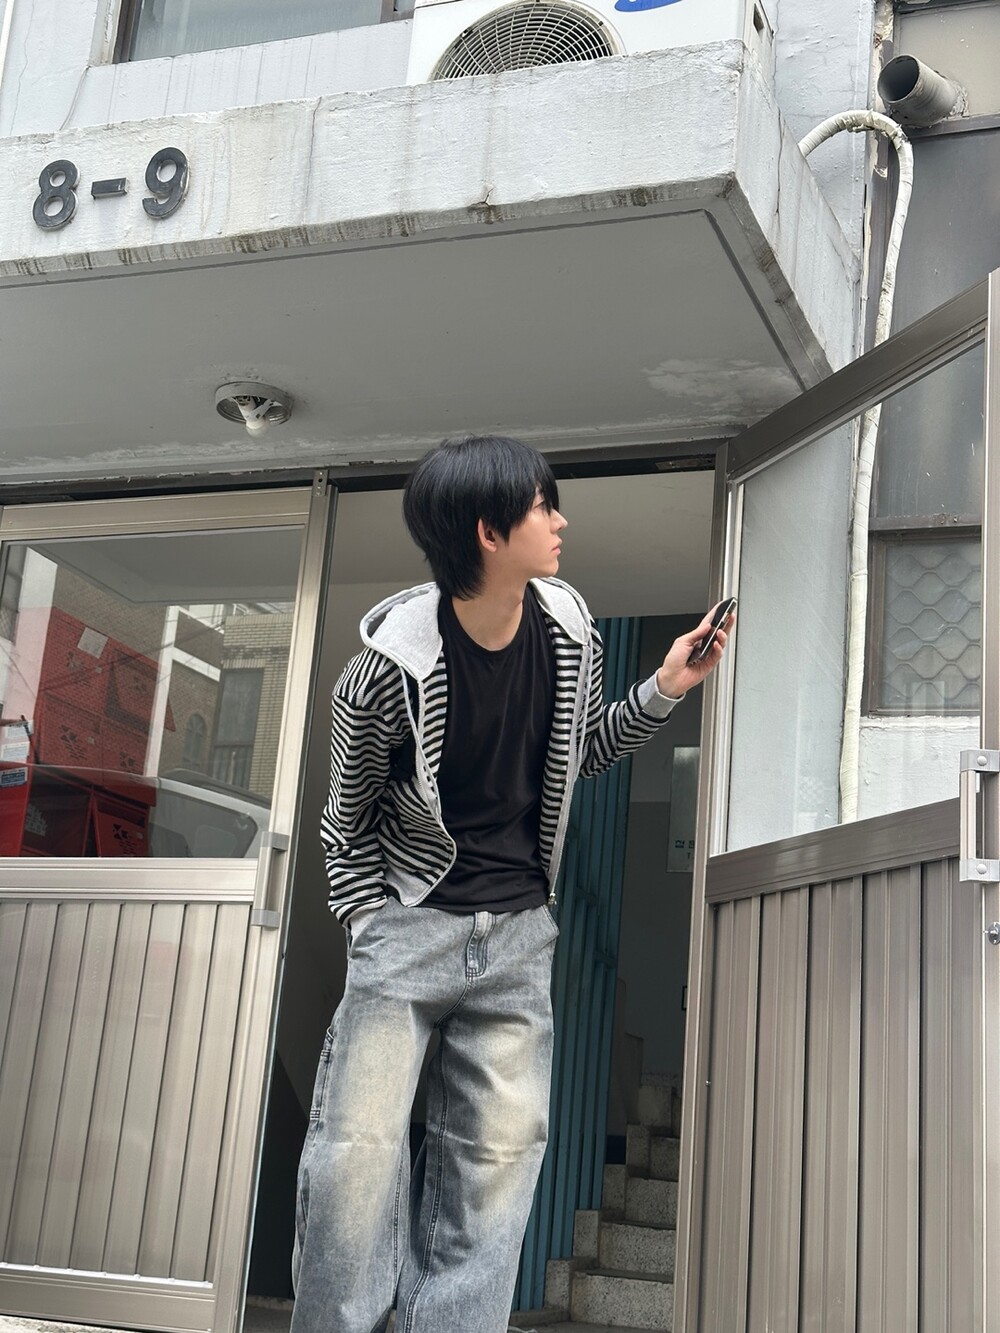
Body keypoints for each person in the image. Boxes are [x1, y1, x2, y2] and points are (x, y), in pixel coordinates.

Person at [290, 435, 731, 1333]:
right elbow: (347, 819)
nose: (560, 521)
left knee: (495, 1171)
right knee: (356, 1162)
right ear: (488, 533)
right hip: (408, 932)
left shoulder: (568, 628)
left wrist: (665, 686)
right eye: (542, 506)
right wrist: (371, 922)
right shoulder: (383, 671)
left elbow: (581, 753)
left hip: (519, 938)